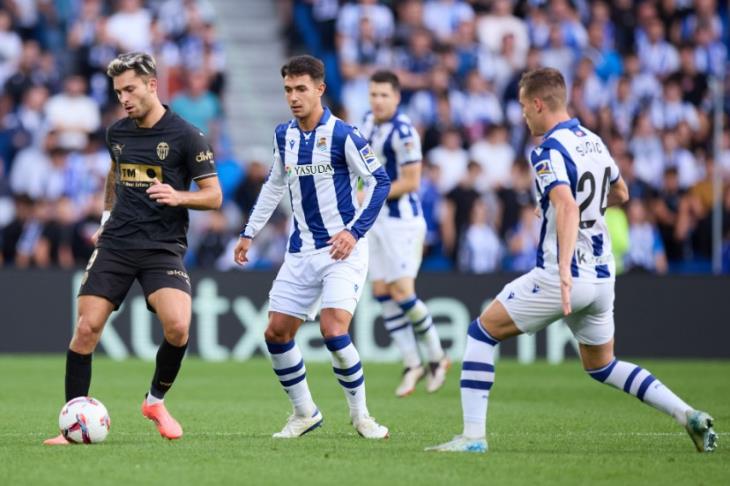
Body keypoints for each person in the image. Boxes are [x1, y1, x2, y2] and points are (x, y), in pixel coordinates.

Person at [426, 67, 716, 453]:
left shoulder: (548, 149)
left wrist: (562, 267)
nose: (523, 116)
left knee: (481, 333)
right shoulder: (593, 141)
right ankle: (688, 414)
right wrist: (573, 208)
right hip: (602, 276)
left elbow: (565, 204)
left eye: (524, 107)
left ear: (538, 103)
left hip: (564, 275)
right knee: (602, 365)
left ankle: (473, 438)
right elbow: (622, 192)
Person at [44, 52, 222, 445]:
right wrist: (106, 218)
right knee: (86, 328)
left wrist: (178, 196)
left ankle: (155, 401)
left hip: (162, 246)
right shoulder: (117, 133)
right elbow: (114, 171)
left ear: (152, 85)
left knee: (177, 325)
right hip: (118, 243)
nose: (124, 98)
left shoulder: (187, 136)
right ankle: (73, 424)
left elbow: (214, 197)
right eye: (118, 91)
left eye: (130, 89)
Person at [233, 55, 391, 439]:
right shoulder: (283, 135)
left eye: (301, 89)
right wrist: (249, 232)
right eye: (288, 89)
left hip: (342, 249)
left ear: (320, 89)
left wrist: (354, 232)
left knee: (333, 331)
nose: (293, 97)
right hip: (301, 251)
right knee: (275, 333)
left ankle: (362, 416)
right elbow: (273, 185)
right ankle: (305, 412)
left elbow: (380, 181)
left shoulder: (343, 135)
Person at [360, 69, 449, 397]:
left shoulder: (405, 131)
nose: (378, 101)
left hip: (403, 223)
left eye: (384, 95)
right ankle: (413, 363)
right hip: (376, 222)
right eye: (373, 94)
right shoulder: (367, 122)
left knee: (402, 291)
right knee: (382, 291)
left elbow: (412, 182)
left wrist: (369, 194)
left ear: (397, 98)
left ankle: (437, 357)